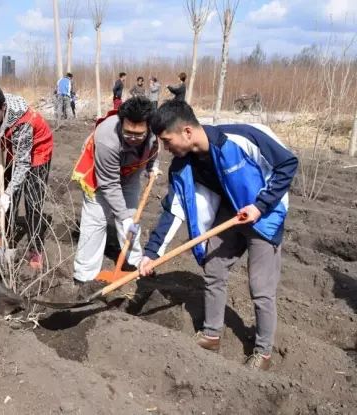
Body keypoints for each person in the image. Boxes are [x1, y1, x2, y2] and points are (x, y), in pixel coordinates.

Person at [139, 100, 298, 371]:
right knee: (214, 266)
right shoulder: (181, 166)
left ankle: (263, 351)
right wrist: (152, 253)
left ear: (187, 132)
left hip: (263, 214)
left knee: (260, 288)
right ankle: (212, 333)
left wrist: (261, 206)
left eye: (167, 141)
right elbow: (173, 209)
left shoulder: (239, 138)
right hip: (230, 213)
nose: (166, 149)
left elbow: (288, 163)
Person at [72, 97, 159, 285]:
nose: (133, 138)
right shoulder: (106, 138)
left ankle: (136, 262)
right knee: (96, 221)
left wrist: (153, 166)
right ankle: (84, 275)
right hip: (100, 174)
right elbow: (110, 183)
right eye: (128, 133)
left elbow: (154, 149)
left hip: (130, 172)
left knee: (132, 218)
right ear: (121, 123)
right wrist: (122, 216)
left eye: (139, 134)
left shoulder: (154, 132)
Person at [0, 84, 53, 270]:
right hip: (15, 147)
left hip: (37, 151)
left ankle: (35, 249)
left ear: (2, 108)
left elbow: (24, 163)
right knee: (9, 195)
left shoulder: (23, 122)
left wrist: (8, 193)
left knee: (32, 202)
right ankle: (6, 235)